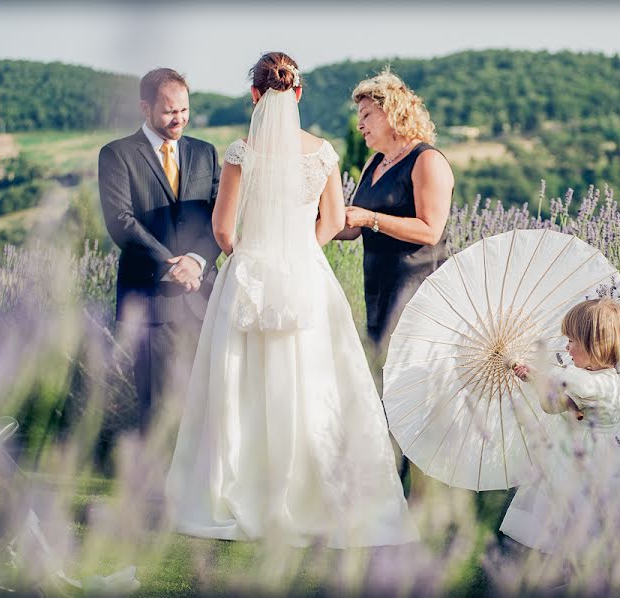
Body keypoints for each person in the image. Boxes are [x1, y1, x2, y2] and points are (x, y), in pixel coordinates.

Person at [164, 52, 418, 547]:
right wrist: (297, 250)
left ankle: (242, 490)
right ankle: (320, 494)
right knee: (316, 381)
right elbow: (332, 220)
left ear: (255, 96)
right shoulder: (324, 153)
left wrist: (253, 256)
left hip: (250, 274)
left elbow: (221, 228)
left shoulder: (241, 152)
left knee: (241, 385)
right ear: (297, 93)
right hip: (306, 273)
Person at [98, 68, 221, 433]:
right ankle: (154, 489)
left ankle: (199, 487)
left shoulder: (205, 152)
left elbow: (220, 216)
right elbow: (121, 221)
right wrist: (172, 265)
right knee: (155, 403)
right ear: (145, 108)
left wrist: (197, 262)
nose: (178, 119)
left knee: (206, 400)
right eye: (169, 111)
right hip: (150, 299)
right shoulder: (117, 154)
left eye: (184, 110)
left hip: (204, 295)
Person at [502, 297, 620, 553]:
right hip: (601, 457)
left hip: (580, 463)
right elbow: (561, 401)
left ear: (595, 346)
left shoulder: (585, 382)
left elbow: (555, 400)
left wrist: (541, 380)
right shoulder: (607, 379)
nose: (567, 347)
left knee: (570, 511)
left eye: (572, 341)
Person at [337, 69, 454, 354]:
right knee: (380, 371)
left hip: (415, 289)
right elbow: (353, 228)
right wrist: (305, 219)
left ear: (392, 112)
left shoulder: (426, 160)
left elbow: (430, 230)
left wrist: (369, 218)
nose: (359, 125)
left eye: (366, 115)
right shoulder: (374, 163)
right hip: (377, 288)